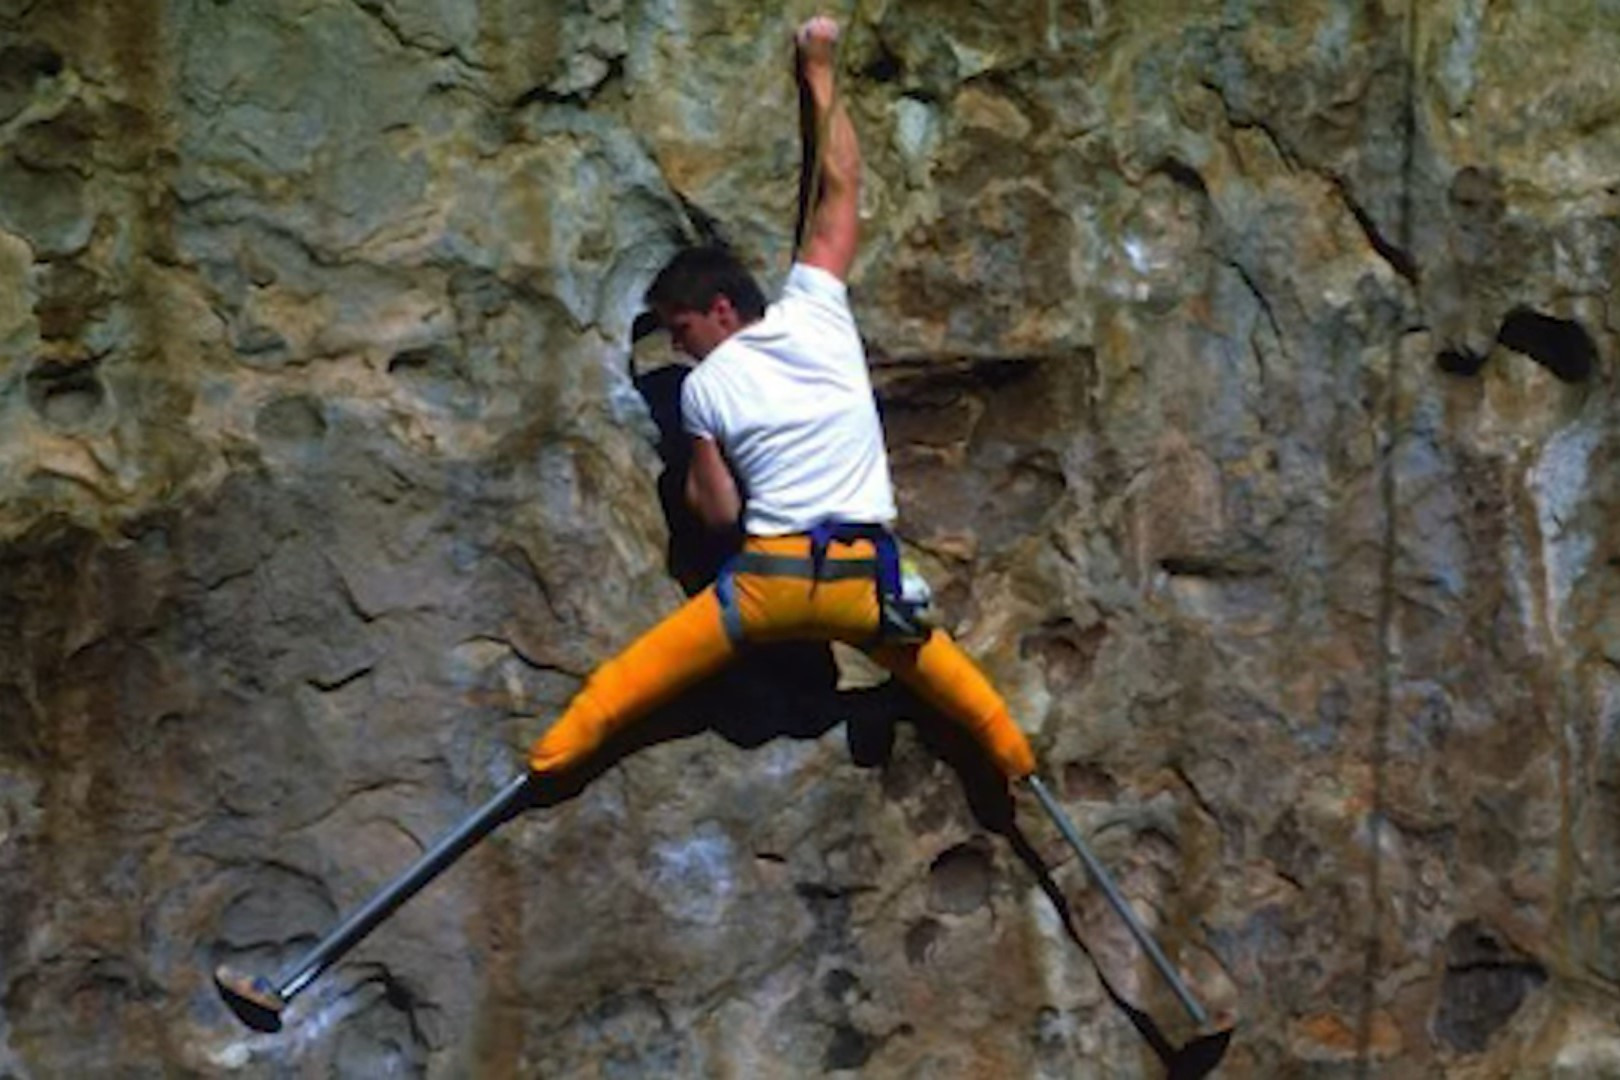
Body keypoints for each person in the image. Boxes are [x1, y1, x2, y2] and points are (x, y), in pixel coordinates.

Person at [527, 15, 1035, 784]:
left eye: (681, 327)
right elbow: (842, 188)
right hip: (864, 585)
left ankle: (561, 749)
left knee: (641, 675)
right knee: (958, 688)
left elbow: (720, 513)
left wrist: (692, 466)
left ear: (721, 309)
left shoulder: (703, 389)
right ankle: (1010, 756)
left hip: (771, 584)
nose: (679, 345)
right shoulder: (817, 310)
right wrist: (819, 70)